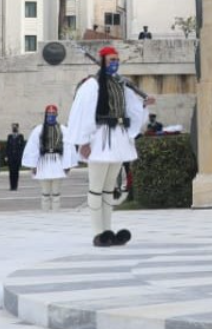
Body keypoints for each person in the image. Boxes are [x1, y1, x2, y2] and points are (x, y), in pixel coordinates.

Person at [68, 46, 151, 246]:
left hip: (118, 138)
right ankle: (98, 232)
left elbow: (131, 109)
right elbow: (84, 113)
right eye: (111, 60)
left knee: (108, 189)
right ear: (103, 61)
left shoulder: (121, 84)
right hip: (100, 138)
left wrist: (145, 104)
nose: (115, 63)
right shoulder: (92, 85)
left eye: (117, 60)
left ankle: (107, 230)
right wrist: (84, 141)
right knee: (96, 188)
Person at [22, 104, 77, 211]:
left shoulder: (63, 129)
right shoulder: (39, 129)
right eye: (49, 114)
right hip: (44, 162)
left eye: (53, 114)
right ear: (46, 115)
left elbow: (68, 147)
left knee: (56, 193)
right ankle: (45, 215)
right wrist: (33, 165)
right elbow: (33, 147)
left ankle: (56, 214)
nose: (51, 116)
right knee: (45, 193)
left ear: (56, 115)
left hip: (58, 162)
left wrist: (68, 165)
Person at [4, 123, 26, 191]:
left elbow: (22, 147)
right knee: (11, 172)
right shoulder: (9, 136)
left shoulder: (20, 136)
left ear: (17, 128)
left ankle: (15, 186)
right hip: (11, 157)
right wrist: (6, 155)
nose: (14, 128)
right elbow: (7, 147)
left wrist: (22, 156)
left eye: (15, 127)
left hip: (17, 157)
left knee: (16, 172)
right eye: (13, 127)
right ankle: (11, 186)